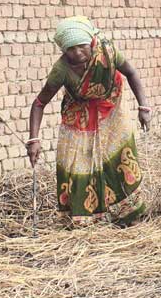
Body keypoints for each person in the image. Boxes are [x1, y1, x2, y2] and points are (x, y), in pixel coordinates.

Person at [26, 17, 150, 226]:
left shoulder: (107, 53)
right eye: (70, 49)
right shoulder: (61, 70)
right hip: (78, 114)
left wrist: (143, 107)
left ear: (91, 42)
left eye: (82, 46)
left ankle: (125, 215)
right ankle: (85, 220)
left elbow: (131, 73)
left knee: (117, 158)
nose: (77, 53)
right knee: (77, 164)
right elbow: (39, 103)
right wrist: (34, 139)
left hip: (111, 107)